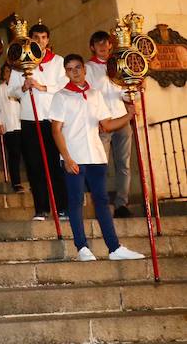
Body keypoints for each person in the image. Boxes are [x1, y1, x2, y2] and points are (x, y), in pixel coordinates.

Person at [50, 54, 144, 262]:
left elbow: (107, 125)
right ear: (65, 72)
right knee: (75, 201)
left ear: (84, 69)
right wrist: (66, 158)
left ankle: (114, 248)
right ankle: (82, 247)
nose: (74, 72)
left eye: (77, 67)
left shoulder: (95, 94)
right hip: (74, 156)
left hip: (97, 155)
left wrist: (130, 115)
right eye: (70, 69)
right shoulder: (61, 96)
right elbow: (56, 130)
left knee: (102, 201)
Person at [8, 23, 67, 221]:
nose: (40, 41)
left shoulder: (57, 61)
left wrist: (42, 87)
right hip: (29, 119)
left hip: (51, 118)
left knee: (55, 164)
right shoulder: (19, 62)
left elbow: (63, 84)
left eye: (43, 37)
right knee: (34, 166)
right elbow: (11, 91)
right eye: (36, 37)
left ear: (48, 39)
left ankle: (61, 207)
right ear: (31, 39)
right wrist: (23, 88)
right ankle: (41, 208)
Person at [85, 31, 132, 217]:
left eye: (106, 43)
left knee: (124, 164)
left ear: (111, 45)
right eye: (99, 44)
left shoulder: (119, 65)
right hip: (102, 123)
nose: (103, 46)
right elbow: (87, 96)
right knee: (101, 165)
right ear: (92, 47)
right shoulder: (88, 68)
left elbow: (124, 93)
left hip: (122, 119)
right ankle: (102, 205)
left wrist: (134, 90)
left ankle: (122, 203)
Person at [0, 63, 24, 193]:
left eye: (11, 72)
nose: (9, 74)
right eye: (6, 71)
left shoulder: (21, 88)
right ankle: (16, 182)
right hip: (9, 127)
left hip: (23, 126)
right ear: (3, 74)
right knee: (14, 155)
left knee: (27, 155)